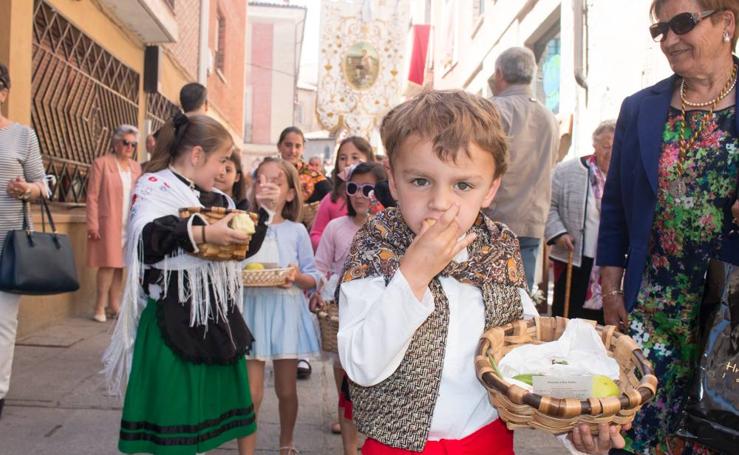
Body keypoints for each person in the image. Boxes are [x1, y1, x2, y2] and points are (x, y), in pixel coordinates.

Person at [337, 90, 625, 454]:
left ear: (490, 189)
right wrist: (412, 275)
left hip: (487, 443)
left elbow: (524, 354)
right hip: (397, 447)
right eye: (420, 181)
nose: (440, 202)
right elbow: (362, 366)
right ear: (393, 182)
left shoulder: (498, 249)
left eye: (462, 185)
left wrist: (573, 423)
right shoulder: (375, 247)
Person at [597, 1, 739, 453]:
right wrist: (612, 289)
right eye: (661, 29)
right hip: (654, 307)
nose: (670, 39)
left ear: (727, 23)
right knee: (639, 431)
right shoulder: (640, 109)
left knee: (717, 434)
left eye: (683, 24)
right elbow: (616, 206)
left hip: (730, 317)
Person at [103, 113, 270, 455]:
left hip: (214, 318)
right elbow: (146, 240)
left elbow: (241, 249)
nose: (225, 170)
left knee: (199, 426)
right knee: (174, 427)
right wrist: (205, 233)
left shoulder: (219, 200)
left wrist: (259, 213)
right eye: (221, 160)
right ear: (196, 155)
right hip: (172, 319)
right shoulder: (155, 186)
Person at [241, 157, 322, 455]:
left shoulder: (297, 231)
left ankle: (286, 442)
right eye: (261, 180)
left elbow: (314, 276)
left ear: (290, 193)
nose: (268, 186)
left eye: (276, 181)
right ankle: (246, 450)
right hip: (251, 311)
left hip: (286, 313)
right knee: (251, 392)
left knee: (287, 390)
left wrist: (296, 276)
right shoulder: (245, 226)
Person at [311, 161, 387, 452]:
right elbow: (321, 267)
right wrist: (317, 292)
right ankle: (349, 448)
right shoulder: (335, 228)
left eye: (367, 189)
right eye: (353, 187)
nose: (359, 195)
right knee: (346, 390)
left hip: (378, 319)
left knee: (374, 391)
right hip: (341, 317)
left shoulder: (387, 229)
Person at [484, 46, 559, 291]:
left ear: (499, 73)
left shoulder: (493, 110)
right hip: (532, 221)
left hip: (493, 219)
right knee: (520, 299)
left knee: (486, 299)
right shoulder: (548, 116)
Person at [0, 63, 49, 420]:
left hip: (8, 246)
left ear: (3, 92)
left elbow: (44, 184)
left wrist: (28, 189)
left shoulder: (22, 135)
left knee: (2, 324)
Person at [545, 120, 616, 324]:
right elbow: (547, 205)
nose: (611, 152)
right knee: (566, 318)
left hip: (609, 262)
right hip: (573, 258)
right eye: (606, 146)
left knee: (600, 324)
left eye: (616, 147)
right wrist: (559, 233)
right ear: (595, 145)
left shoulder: (626, 175)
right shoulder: (566, 171)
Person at [86, 125, 142, 322]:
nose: (129, 148)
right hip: (109, 221)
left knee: (121, 265)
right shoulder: (101, 163)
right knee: (108, 264)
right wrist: (93, 224)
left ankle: (114, 304)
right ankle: (99, 306)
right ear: (116, 143)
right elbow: (92, 196)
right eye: (125, 143)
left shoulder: (136, 168)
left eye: (133, 145)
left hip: (129, 222)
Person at [310, 136, 376, 250]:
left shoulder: (380, 197)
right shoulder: (331, 199)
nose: (348, 162)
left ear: (369, 160)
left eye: (355, 157)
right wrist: (334, 244)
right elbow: (315, 235)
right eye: (342, 158)